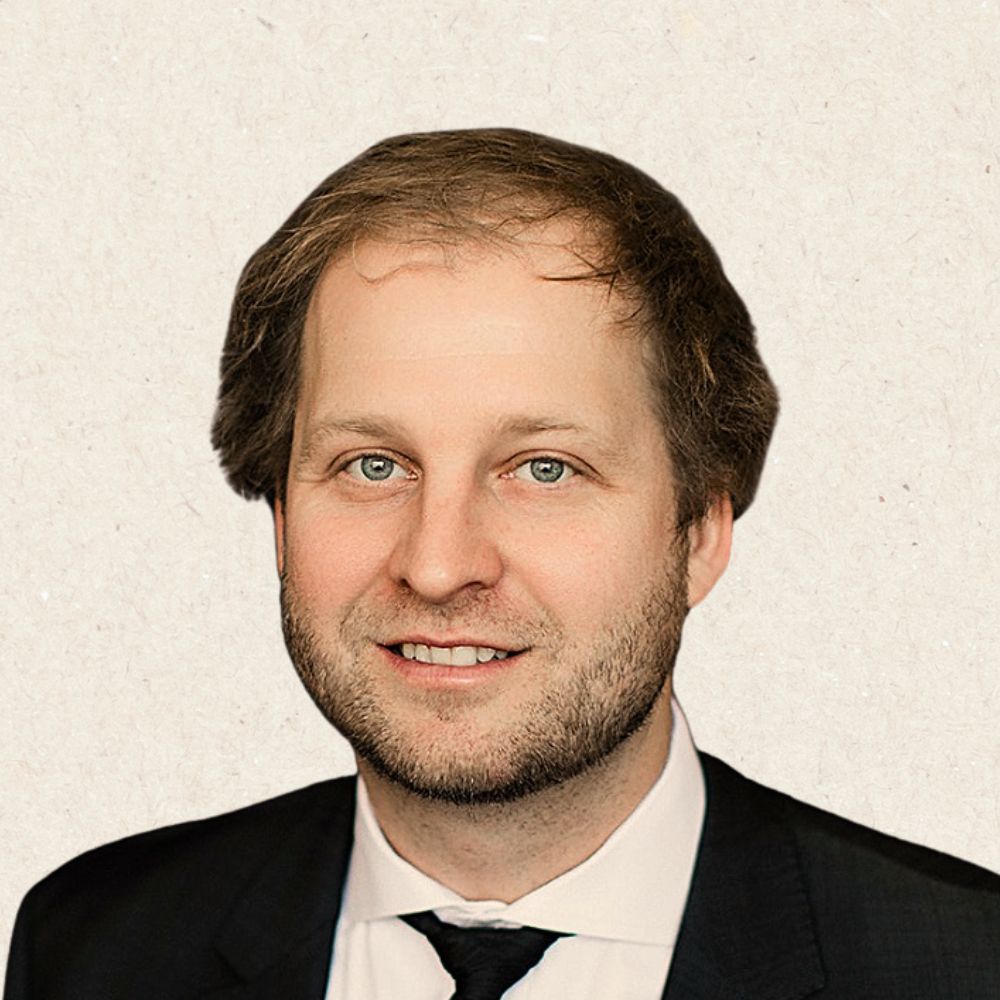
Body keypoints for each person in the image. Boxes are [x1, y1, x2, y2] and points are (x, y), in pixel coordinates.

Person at [5, 128, 999, 1000]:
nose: (438, 566)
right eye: (373, 464)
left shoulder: (964, 964)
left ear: (700, 529)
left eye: (543, 468)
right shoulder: (93, 945)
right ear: (277, 515)